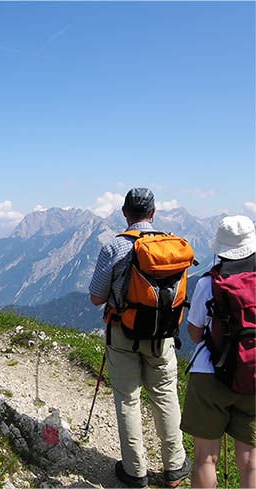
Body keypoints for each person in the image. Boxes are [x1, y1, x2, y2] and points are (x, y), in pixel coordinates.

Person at [89, 187, 191, 488]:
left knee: (128, 400)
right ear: (154, 213)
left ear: (124, 213)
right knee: (165, 396)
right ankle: (175, 466)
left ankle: (135, 472)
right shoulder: (173, 246)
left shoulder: (115, 247)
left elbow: (96, 297)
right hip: (164, 337)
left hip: (124, 334)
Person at [180, 215, 256, 488]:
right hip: (254, 373)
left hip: (210, 372)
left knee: (205, 458)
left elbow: (194, 332)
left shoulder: (207, 283)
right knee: (249, 459)